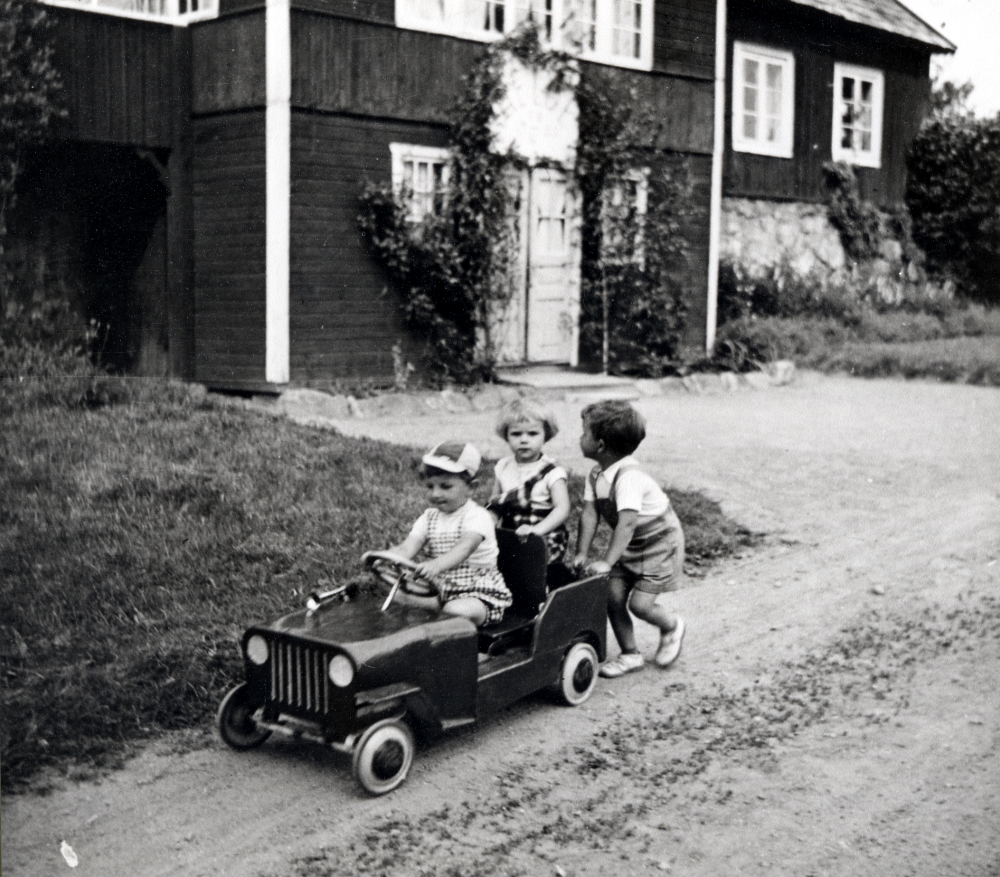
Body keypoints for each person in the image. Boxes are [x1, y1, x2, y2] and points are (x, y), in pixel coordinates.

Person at [573, 399, 686, 678]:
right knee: (612, 596)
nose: (579, 438)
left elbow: (627, 523)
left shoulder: (629, 478)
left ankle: (671, 626)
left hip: (658, 544)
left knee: (640, 605)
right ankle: (630, 653)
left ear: (600, 445)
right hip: (631, 543)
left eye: (584, 433)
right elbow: (590, 514)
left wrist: (607, 561)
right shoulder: (596, 474)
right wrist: (582, 553)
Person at [378, 441, 512, 627]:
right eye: (430, 486)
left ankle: (450, 632)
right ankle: (424, 634)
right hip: (440, 588)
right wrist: (387, 558)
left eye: (445, 486)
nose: (435, 494)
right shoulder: (428, 518)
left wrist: (436, 565)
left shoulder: (477, 516)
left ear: (471, 488)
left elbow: (465, 547)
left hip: (477, 592)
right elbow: (408, 547)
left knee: (455, 611)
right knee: (399, 598)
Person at [487, 398, 571, 563]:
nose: (524, 440)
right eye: (516, 434)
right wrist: (489, 522)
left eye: (532, 433)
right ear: (506, 436)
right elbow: (495, 504)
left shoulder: (552, 471)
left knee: (537, 570)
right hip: (510, 533)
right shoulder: (503, 466)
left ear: (545, 435)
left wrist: (536, 530)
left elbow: (562, 508)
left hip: (543, 535)